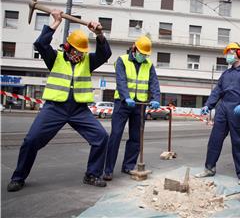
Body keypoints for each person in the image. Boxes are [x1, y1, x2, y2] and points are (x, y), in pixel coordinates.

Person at [7, 10, 112, 192]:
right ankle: (18, 177)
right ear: (68, 47)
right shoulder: (54, 58)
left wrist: (99, 34)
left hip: (79, 110)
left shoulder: (87, 61)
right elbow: (40, 43)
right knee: (31, 140)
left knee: (101, 137)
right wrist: (55, 22)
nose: (80, 56)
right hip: (55, 108)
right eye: (77, 52)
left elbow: (105, 54)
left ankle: (92, 174)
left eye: (82, 53)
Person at [195, 42, 240, 185]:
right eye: (227, 53)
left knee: (239, 142)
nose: (228, 56)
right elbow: (217, 90)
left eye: (231, 52)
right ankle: (209, 168)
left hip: (238, 108)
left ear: (239, 54)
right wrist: (208, 105)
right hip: (223, 107)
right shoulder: (226, 74)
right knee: (215, 140)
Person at [103, 35, 160, 181]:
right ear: (134, 48)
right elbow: (121, 80)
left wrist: (155, 99)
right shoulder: (122, 60)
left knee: (136, 138)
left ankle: (128, 166)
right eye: (142, 53)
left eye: (146, 54)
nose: (144, 56)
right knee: (115, 135)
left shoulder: (149, 65)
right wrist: (125, 96)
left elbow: (153, 83)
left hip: (139, 105)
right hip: (123, 103)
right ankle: (108, 169)